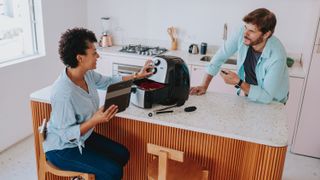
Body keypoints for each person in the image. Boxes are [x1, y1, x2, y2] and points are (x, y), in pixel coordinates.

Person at [43, 28, 153, 180]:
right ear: (80, 58)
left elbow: (108, 81)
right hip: (62, 148)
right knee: (113, 172)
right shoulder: (63, 93)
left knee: (123, 154)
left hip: (83, 138)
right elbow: (66, 135)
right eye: (94, 53)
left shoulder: (86, 74)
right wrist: (94, 120)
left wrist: (137, 75)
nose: (98, 56)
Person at [190, 8, 289, 104]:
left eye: (252, 31)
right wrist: (204, 85)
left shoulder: (277, 56)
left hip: (273, 102)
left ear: (266, 34)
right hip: (250, 94)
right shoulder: (242, 32)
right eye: (246, 27)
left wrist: (239, 82)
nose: (245, 33)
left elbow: (266, 97)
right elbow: (220, 56)